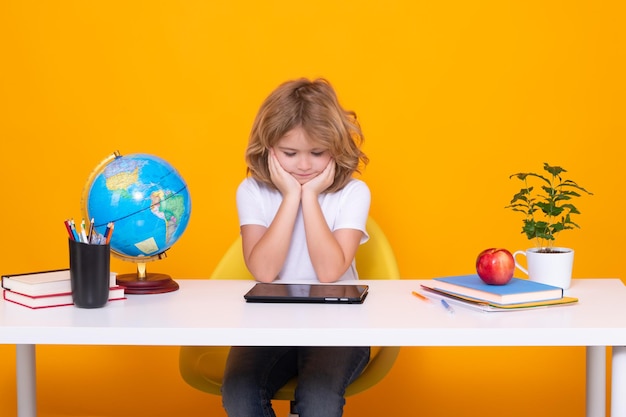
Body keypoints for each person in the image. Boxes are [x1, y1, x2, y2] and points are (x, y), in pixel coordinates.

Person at [221, 78, 371, 417]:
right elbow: (263, 271)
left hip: (339, 324)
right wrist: (290, 196)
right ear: (269, 148)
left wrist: (311, 197)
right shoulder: (252, 191)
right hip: (269, 322)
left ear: (335, 148)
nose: (304, 166)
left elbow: (330, 272)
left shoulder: (353, 193)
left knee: (318, 399)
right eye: (290, 154)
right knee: (239, 391)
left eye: (317, 153)